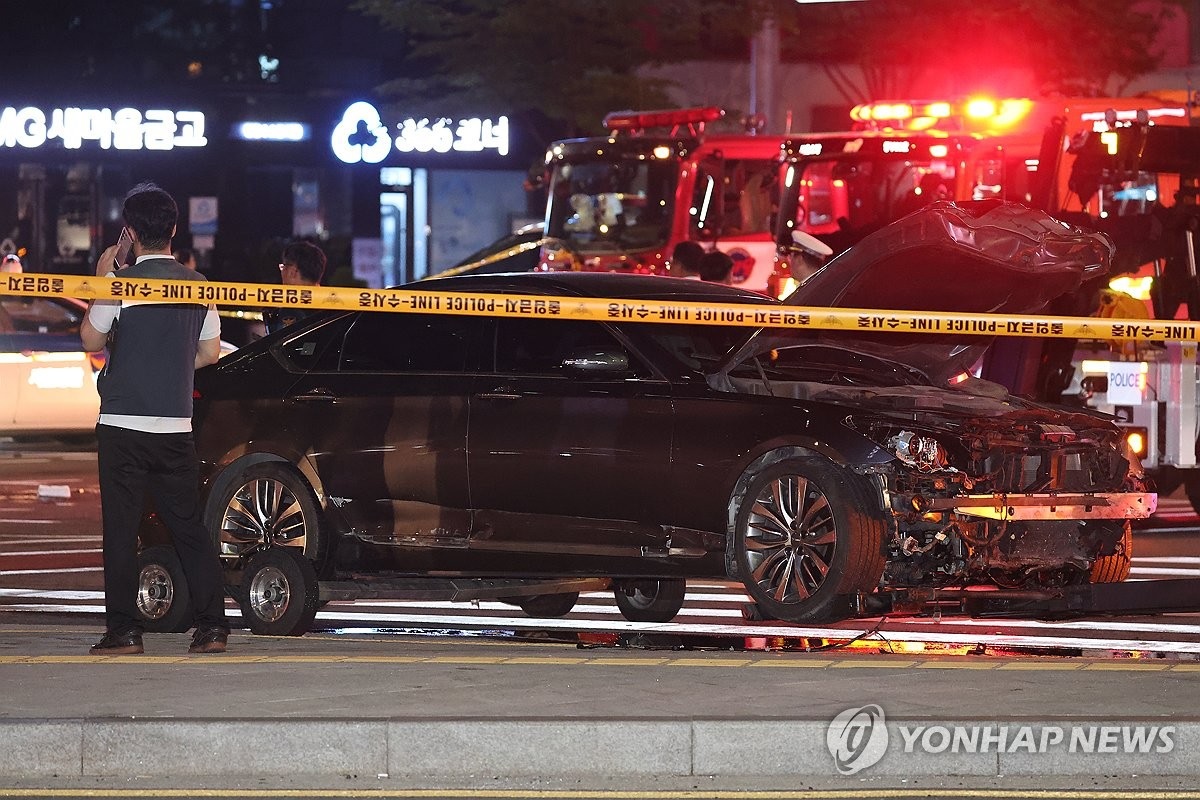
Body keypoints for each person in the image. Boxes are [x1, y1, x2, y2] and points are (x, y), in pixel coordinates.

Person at [79, 182, 230, 656]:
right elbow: (209, 352)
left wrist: (104, 276)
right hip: (174, 426)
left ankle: (124, 631)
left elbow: (90, 340)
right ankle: (212, 627)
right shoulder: (198, 286)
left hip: (123, 422)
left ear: (129, 233)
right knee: (187, 525)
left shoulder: (120, 284)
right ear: (174, 230)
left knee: (121, 529)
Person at [265, 239, 326, 334]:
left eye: (283, 267)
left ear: (292, 272)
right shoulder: (336, 307)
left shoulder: (288, 311)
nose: (281, 272)